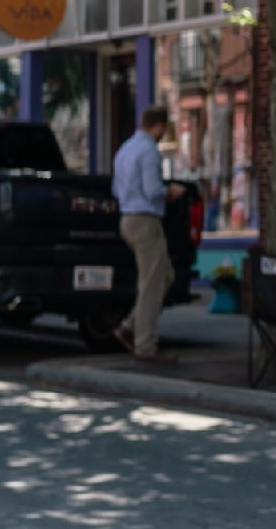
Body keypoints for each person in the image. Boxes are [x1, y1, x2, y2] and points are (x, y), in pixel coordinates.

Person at [112, 105, 182, 365]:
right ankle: (145, 344)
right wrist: (170, 191)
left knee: (163, 276)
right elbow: (153, 189)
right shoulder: (149, 151)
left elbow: (116, 190)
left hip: (127, 217)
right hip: (146, 219)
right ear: (160, 126)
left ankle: (131, 326)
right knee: (152, 282)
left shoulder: (124, 149)